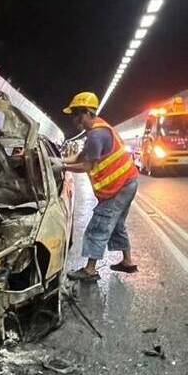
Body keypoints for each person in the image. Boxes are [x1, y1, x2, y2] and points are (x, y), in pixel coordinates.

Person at [56, 91, 140, 281]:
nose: (74, 119)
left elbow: (86, 165)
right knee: (117, 224)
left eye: (76, 114)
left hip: (120, 186)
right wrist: (58, 160)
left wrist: (62, 166)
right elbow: (80, 157)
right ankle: (127, 261)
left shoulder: (96, 135)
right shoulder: (96, 130)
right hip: (129, 182)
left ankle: (90, 271)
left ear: (86, 112)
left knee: (99, 224)